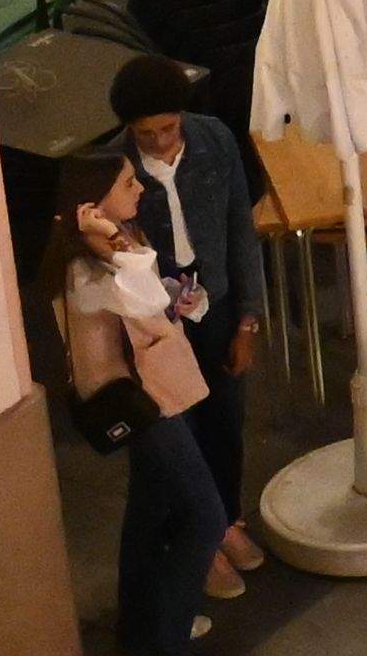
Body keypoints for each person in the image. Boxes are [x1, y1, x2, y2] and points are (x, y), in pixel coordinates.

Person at [56, 155, 231, 656]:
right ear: (92, 204)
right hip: (142, 402)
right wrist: (107, 238)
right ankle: (162, 651)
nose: (139, 188)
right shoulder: (85, 269)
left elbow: (155, 299)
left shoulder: (112, 247)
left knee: (151, 510)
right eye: (126, 182)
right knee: (204, 516)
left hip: (157, 393)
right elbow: (141, 295)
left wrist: (182, 298)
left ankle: (147, 626)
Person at [103, 58, 262, 607]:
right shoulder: (118, 174)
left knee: (226, 419)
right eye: (145, 134)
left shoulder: (215, 141)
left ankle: (224, 518)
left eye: (167, 129)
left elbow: (241, 227)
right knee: (179, 435)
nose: (158, 141)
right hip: (160, 323)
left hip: (214, 308)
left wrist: (248, 319)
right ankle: (195, 539)